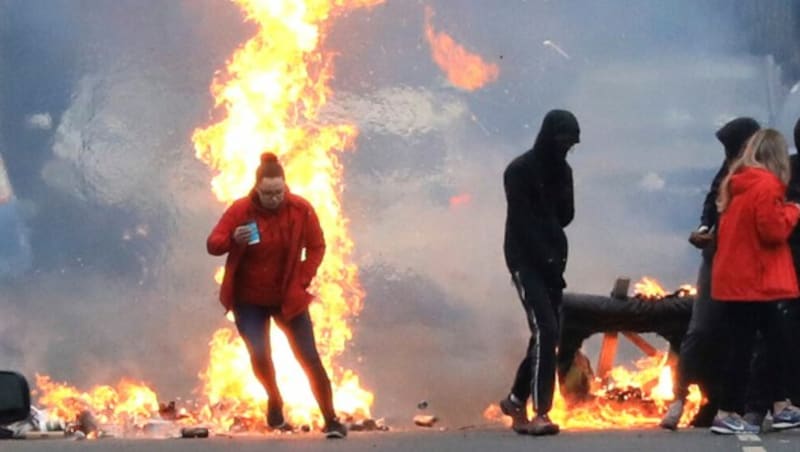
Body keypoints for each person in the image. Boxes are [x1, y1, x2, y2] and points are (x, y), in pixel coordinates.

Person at [206, 152, 347, 439]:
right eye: (268, 193)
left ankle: (331, 420)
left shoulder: (300, 209)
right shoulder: (241, 210)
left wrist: (304, 277)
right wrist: (232, 239)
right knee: (260, 354)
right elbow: (213, 243)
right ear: (257, 188)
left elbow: (317, 246)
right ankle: (274, 398)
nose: (274, 198)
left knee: (308, 356)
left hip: (288, 299)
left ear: (285, 186)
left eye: (279, 192)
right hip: (249, 300)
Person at [660, 117, 760, 430]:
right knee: (700, 330)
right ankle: (679, 398)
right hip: (716, 260)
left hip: (748, 264)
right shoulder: (728, 167)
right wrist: (704, 228)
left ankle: (744, 403)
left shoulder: (763, 172)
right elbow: (712, 202)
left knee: (747, 335)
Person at [709, 129, 800, 434]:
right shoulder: (767, 185)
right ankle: (729, 410)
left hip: (737, 278)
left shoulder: (739, 183)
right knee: (762, 345)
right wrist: (793, 210)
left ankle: (779, 405)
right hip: (757, 279)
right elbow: (772, 231)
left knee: (763, 342)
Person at [498, 109, 580, 436]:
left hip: (553, 260)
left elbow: (566, 216)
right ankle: (541, 412)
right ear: (548, 136)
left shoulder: (564, 172)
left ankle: (516, 399)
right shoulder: (518, 171)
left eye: (571, 144)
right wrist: (543, 259)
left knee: (547, 332)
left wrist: (553, 258)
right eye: (561, 141)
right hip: (525, 260)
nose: (565, 148)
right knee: (546, 328)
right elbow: (523, 222)